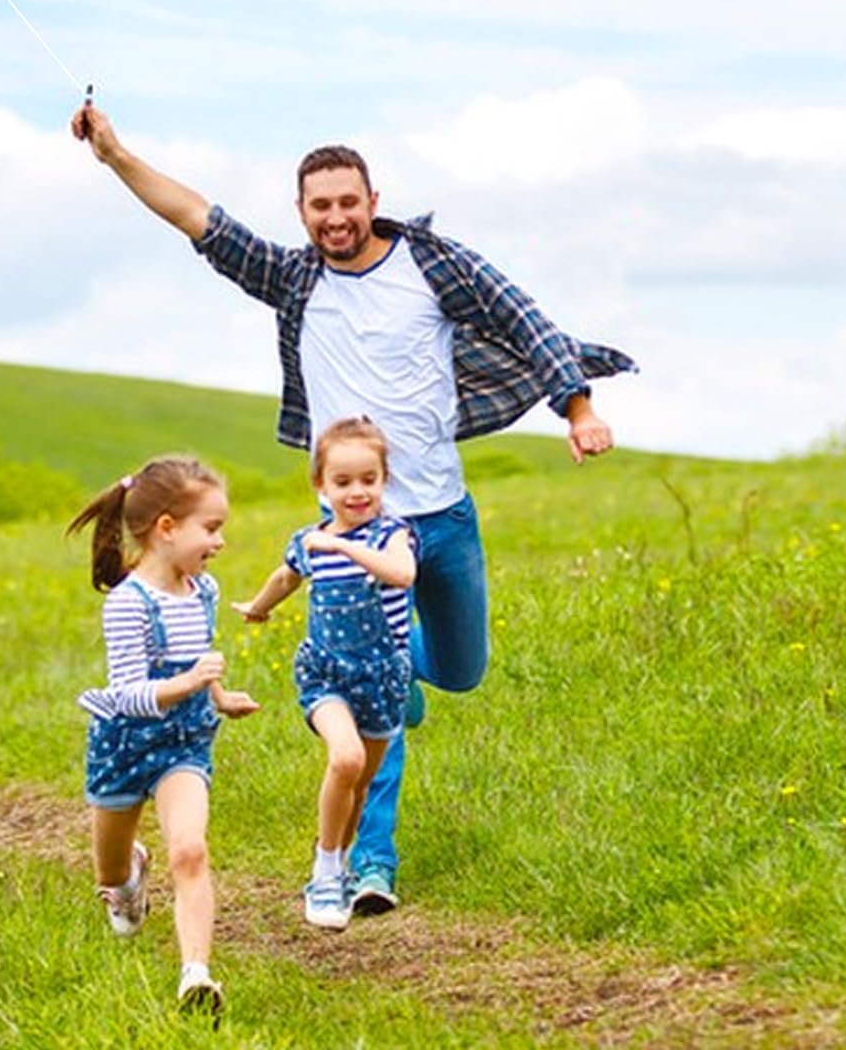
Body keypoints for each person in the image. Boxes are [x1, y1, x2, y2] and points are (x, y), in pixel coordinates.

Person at [72, 101, 635, 913]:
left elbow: (524, 317)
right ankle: (367, 865)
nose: (334, 218)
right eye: (318, 206)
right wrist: (117, 155)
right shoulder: (293, 278)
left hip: (439, 520)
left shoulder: (434, 265)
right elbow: (195, 217)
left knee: (460, 670)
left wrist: (577, 409)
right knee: (373, 700)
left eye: (347, 202)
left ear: (372, 201)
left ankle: (398, 676)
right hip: (352, 539)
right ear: (301, 214)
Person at [68, 456, 259, 1017]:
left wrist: (219, 697)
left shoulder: (203, 591)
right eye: (212, 527)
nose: (220, 541)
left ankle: (195, 975)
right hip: (124, 747)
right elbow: (127, 693)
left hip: (182, 744)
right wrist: (191, 682)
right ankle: (129, 877)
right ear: (167, 528)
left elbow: (201, 664)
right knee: (109, 873)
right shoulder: (127, 602)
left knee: (192, 850)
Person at [233, 417, 416, 929]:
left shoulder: (393, 535)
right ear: (321, 485)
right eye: (342, 482)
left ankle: (341, 856)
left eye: (368, 479)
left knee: (360, 783)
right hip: (327, 675)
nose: (356, 491)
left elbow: (402, 575)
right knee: (346, 759)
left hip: (382, 680)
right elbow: (286, 574)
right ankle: (325, 874)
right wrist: (259, 606)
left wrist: (344, 546)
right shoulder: (308, 540)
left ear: (384, 480)